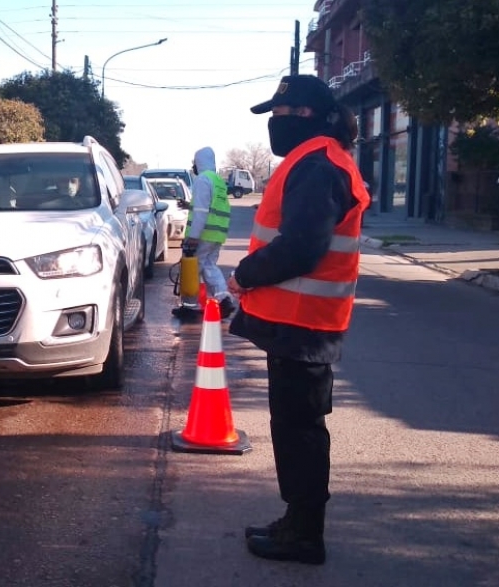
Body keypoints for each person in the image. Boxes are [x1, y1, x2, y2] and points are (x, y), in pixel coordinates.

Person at [227, 74, 371, 565]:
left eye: (279, 114)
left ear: (305, 115)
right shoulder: (315, 160)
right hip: (298, 323)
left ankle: (305, 534)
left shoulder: (318, 164)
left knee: (300, 429)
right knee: (294, 425)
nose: (273, 124)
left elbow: (303, 248)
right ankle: (296, 522)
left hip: (304, 323)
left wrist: (246, 274)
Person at [172, 146, 234, 319]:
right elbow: (210, 206)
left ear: (199, 162)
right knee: (209, 267)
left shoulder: (202, 180)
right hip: (217, 234)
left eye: (194, 162)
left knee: (192, 269)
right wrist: (188, 205)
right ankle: (224, 299)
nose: (194, 166)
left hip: (203, 234)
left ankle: (189, 306)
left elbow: (201, 211)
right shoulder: (218, 181)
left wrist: (193, 237)